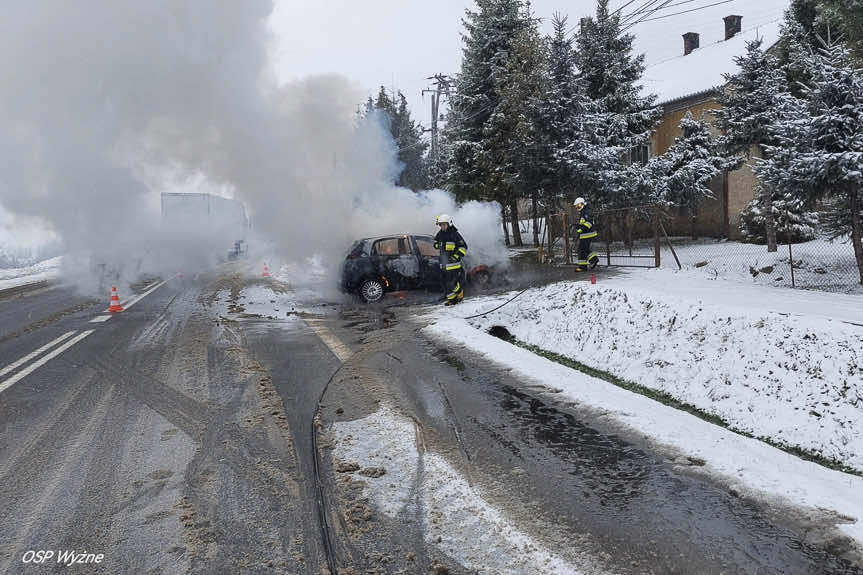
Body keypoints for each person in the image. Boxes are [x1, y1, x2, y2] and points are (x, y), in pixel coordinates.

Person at [434, 214, 468, 305]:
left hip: (453, 266)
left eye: (444, 224)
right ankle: (452, 300)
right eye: (440, 225)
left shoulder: (454, 234)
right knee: (445, 285)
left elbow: (463, 247)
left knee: (452, 284)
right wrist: (438, 245)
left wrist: (455, 257)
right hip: (443, 265)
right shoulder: (440, 234)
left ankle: (459, 293)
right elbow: (435, 243)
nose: (442, 227)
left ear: (449, 224)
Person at [572, 197, 599, 272]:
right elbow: (584, 222)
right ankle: (592, 261)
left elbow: (589, 223)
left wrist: (581, 228)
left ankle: (584, 266)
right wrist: (578, 226)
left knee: (582, 249)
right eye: (576, 206)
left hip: (588, 234)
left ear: (583, 204)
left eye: (578, 205)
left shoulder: (586, 211)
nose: (577, 207)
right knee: (584, 249)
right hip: (585, 234)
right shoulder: (583, 211)